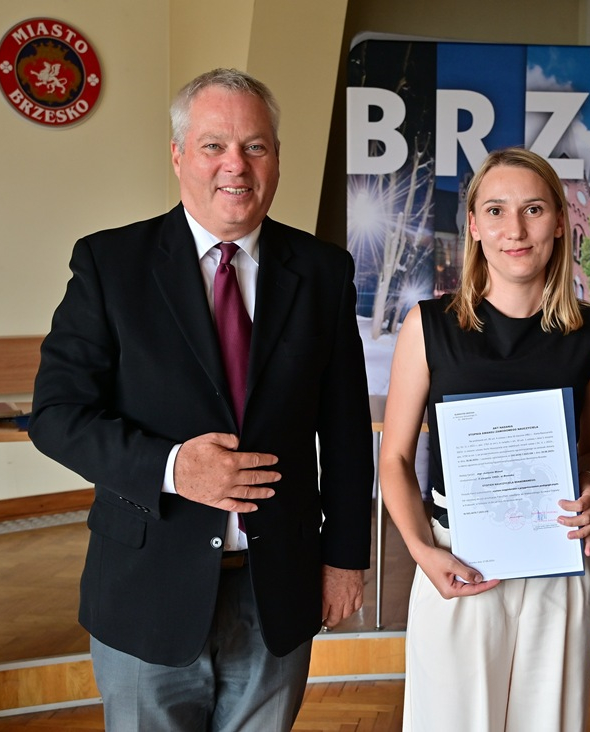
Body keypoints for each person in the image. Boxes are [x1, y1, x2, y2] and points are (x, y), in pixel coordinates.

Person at [29, 68, 373, 731]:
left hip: (277, 589)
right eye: (214, 145)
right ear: (178, 155)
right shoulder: (110, 265)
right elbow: (56, 416)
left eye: (255, 146)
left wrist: (345, 558)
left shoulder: (323, 271)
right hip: (145, 590)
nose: (235, 165)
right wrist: (172, 468)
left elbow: (347, 432)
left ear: (277, 158)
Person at [379, 147, 590, 731]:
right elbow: (396, 458)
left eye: (533, 209)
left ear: (559, 222)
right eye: (495, 210)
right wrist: (422, 551)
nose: (515, 229)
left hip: (555, 563)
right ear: (474, 225)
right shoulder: (428, 326)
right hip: (457, 560)